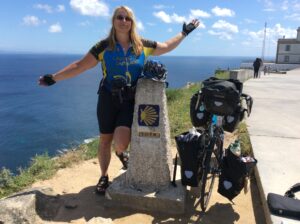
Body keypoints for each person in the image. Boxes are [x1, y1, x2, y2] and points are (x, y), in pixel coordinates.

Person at [39, 5, 199, 195]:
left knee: (121, 143)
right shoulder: (103, 47)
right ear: (113, 21)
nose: (123, 21)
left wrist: (184, 33)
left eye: (127, 18)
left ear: (132, 22)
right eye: (120, 17)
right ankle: (104, 175)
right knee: (105, 140)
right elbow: (80, 66)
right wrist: (54, 78)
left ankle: (121, 153)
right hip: (108, 98)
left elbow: (166, 46)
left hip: (130, 101)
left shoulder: (142, 45)